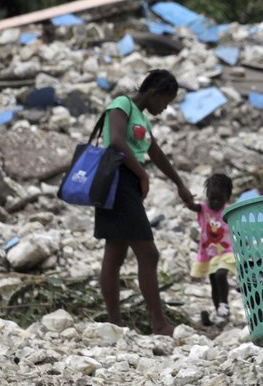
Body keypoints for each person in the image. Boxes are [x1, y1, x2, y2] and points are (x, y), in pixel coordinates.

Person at [95, 69, 194, 336]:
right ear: (153, 92)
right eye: (165, 101)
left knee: (115, 251)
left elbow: (155, 152)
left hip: (127, 182)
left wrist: (179, 183)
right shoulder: (121, 105)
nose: (165, 108)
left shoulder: (140, 118)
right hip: (118, 179)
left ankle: (115, 325)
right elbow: (115, 141)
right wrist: (141, 174)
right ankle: (158, 323)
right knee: (148, 253)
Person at [187, 173, 236, 327]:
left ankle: (224, 306)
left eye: (219, 199)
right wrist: (187, 198)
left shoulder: (229, 211)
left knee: (222, 275)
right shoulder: (203, 209)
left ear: (227, 198)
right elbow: (192, 206)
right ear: (207, 196)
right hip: (209, 254)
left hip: (227, 252)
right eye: (211, 198)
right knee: (214, 283)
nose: (214, 202)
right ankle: (220, 313)